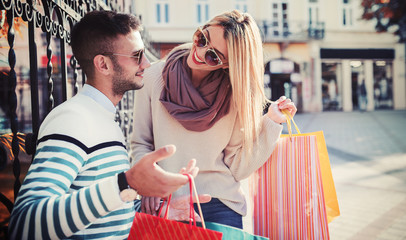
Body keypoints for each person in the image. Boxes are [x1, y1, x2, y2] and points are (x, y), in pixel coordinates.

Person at [8, 10, 199, 239]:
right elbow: (25, 224)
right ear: (103, 64)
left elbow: (105, 214)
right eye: (137, 55)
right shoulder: (73, 120)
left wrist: (164, 213)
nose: (147, 64)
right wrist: (125, 183)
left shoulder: (103, 118)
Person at [130, 10, 297, 229]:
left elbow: (238, 167)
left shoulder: (235, 96)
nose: (199, 52)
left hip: (220, 206)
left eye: (213, 56)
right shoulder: (153, 77)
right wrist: (149, 184)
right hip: (167, 203)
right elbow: (141, 143)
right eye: (202, 38)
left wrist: (271, 122)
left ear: (227, 65)